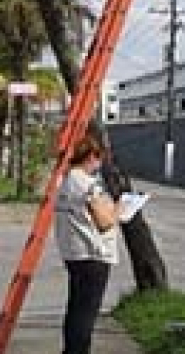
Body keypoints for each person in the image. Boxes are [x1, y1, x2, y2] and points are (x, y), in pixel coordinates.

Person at [55, 131, 118, 354]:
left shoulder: (65, 182)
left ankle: (70, 350)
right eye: (99, 157)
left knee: (75, 309)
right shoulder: (89, 185)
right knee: (86, 314)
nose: (99, 163)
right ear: (91, 156)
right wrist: (120, 209)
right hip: (94, 254)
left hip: (73, 252)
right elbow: (104, 222)